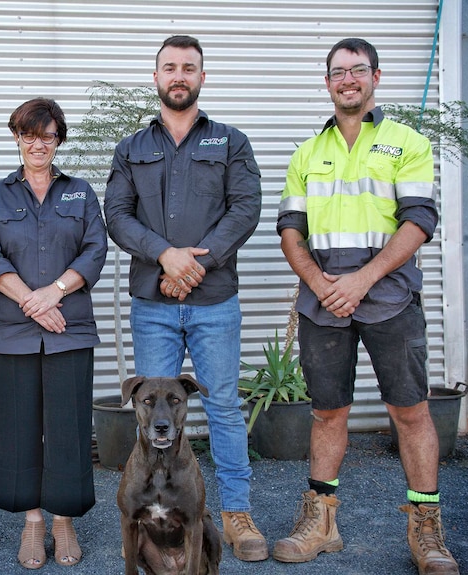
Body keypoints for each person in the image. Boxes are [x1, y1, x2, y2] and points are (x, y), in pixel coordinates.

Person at [275, 38, 458, 574]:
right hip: (323, 300)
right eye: (337, 72)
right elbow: (290, 229)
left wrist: (361, 280)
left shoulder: (406, 143)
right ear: (327, 81)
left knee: (411, 410)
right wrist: (320, 281)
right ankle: (320, 523)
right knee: (327, 411)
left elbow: (419, 220)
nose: (347, 79)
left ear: (377, 77)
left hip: (389, 295)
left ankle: (427, 530)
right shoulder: (308, 152)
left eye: (358, 70)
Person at [104, 35, 267, 562]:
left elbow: (245, 209)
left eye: (189, 68)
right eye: (170, 67)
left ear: (202, 77)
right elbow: (118, 216)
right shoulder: (132, 148)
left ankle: (236, 515)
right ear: (156, 78)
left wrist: (195, 263)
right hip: (154, 302)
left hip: (214, 298)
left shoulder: (230, 142)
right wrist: (164, 256)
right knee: (154, 413)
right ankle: (153, 512)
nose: (180, 75)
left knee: (221, 405)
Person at [0, 97, 107, 570]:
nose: (38, 144)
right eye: (29, 135)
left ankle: (63, 518)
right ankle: (32, 520)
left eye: (47, 136)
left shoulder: (81, 192)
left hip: (69, 330)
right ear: (16, 137)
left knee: (68, 429)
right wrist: (34, 301)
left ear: (58, 140)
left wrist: (54, 292)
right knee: (17, 428)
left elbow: (94, 251)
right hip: (13, 332)